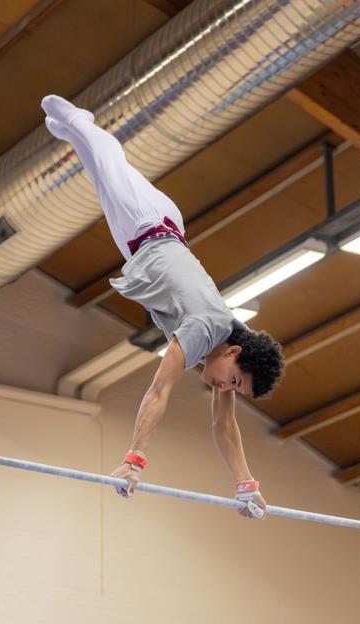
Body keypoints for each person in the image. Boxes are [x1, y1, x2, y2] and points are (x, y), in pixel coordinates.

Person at [41, 95, 285, 519]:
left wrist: (246, 486)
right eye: (233, 381)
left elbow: (224, 425)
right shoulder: (205, 330)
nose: (224, 388)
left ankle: (74, 131)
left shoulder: (225, 345)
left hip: (156, 231)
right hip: (146, 223)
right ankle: (81, 122)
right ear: (234, 354)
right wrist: (135, 459)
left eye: (233, 390)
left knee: (100, 172)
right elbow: (159, 390)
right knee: (106, 158)